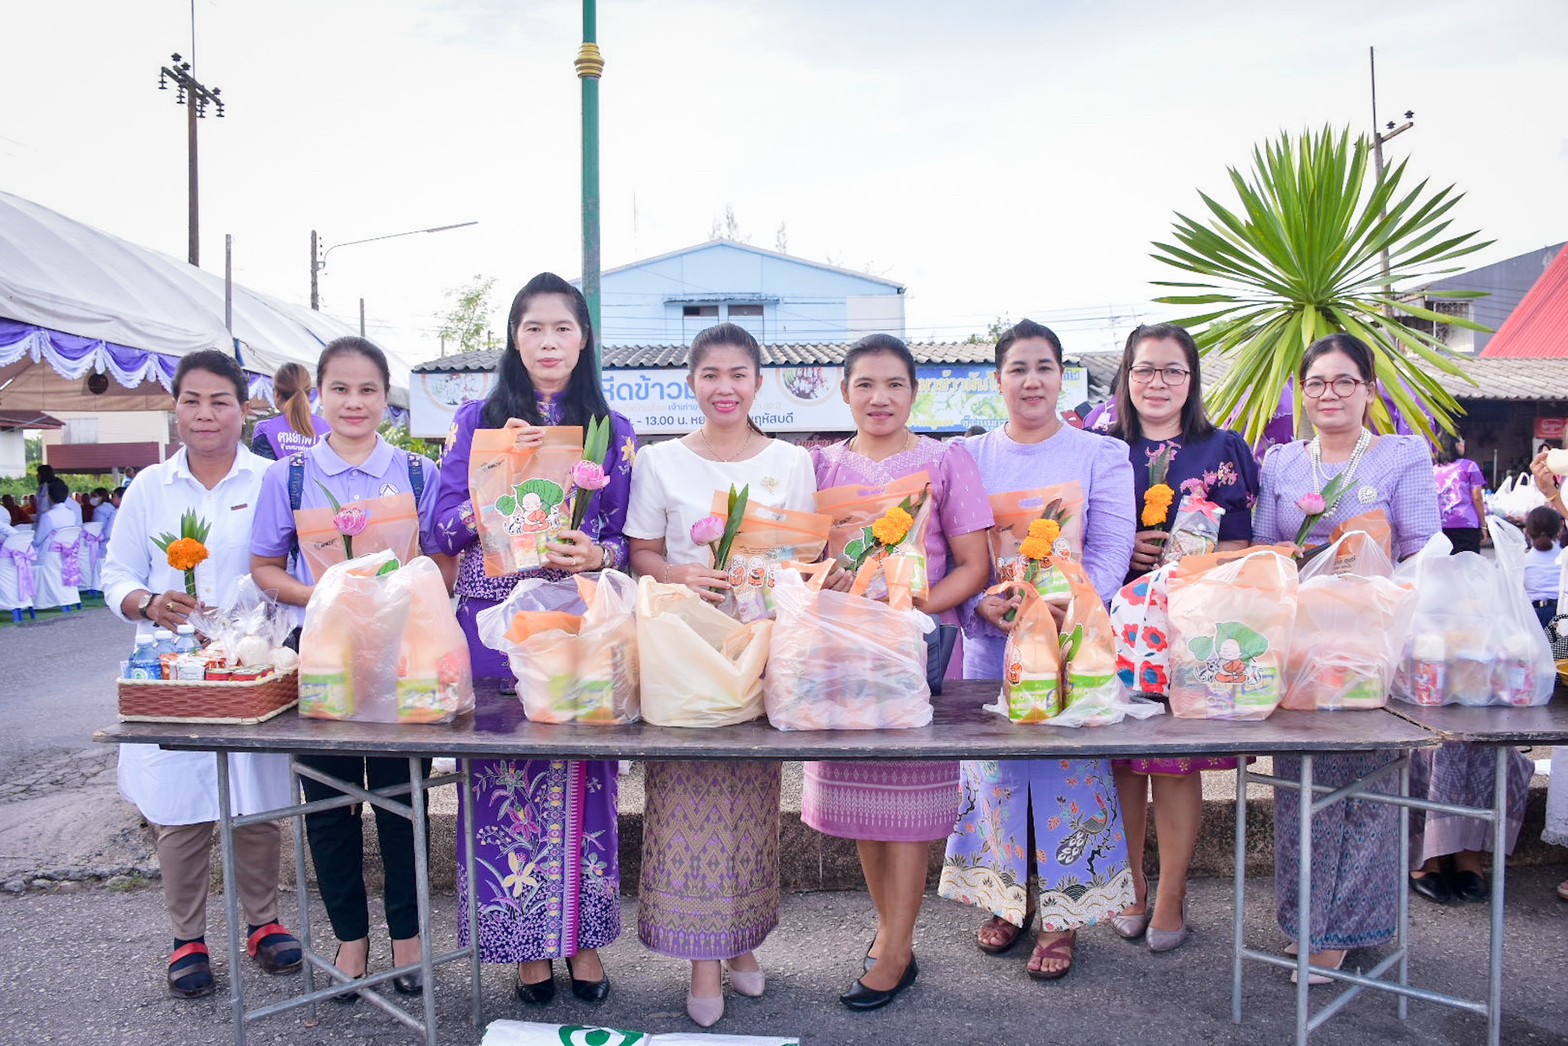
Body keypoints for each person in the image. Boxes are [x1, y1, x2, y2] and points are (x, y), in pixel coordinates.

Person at [430, 273, 636, 1008]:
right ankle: (524, 952)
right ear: (514, 340)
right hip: (496, 628)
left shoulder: (611, 429)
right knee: (502, 785)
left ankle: (582, 942)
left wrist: (599, 554)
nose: (549, 343)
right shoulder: (476, 420)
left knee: (588, 780)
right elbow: (442, 527)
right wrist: (498, 468)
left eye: (563, 328)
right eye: (533, 329)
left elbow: (626, 541)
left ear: (584, 340)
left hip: (580, 625)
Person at [624, 323, 816, 1028]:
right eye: (711, 375)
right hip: (684, 654)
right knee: (687, 803)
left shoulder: (793, 462)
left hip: (762, 647)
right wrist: (678, 572)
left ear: (758, 383)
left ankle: (742, 947)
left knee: (752, 804)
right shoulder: (661, 462)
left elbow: (803, 554)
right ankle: (703, 960)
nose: (725, 387)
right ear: (691, 384)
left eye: (739, 374)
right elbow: (640, 550)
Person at [940, 319, 1137, 982]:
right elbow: (957, 557)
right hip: (995, 650)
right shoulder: (967, 457)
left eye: (1044, 367)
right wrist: (977, 605)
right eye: (1018, 368)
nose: (1031, 380)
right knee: (996, 782)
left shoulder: (1099, 455)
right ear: (997, 381)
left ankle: (1065, 916)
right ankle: (1009, 901)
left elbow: (1111, 551)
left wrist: (1072, 605)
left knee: (1067, 780)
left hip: (1075, 653)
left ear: (1063, 378)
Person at [100, 349, 301, 998]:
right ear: (176, 406)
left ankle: (263, 924)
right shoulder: (149, 489)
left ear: (245, 410)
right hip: (171, 670)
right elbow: (115, 575)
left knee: (255, 801)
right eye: (193, 400)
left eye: (221, 401)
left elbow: (295, 564)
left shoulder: (273, 479)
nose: (206, 413)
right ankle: (187, 937)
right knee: (180, 811)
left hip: (251, 669)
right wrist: (148, 602)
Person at [803, 335, 992, 1011]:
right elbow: (806, 562)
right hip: (844, 655)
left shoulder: (947, 461)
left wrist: (910, 609)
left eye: (893, 385)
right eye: (864, 385)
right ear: (844, 392)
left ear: (915, 392)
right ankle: (890, 935)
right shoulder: (820, 468)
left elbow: (975, 566)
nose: (879, 398)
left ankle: (897, 947)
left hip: (919, 652)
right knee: (864, 802)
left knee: (909, 802)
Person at [249, 337, 441, 998]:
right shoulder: (291, 478)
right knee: (328, 805)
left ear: (386, 397)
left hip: (402, 658)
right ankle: (351, 941)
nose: (354, 403)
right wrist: (328, 594)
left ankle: (410, 941)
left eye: (367, 390)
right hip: (324, 655)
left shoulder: (417, 474)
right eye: (339, 389)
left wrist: (396, 591)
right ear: (318, 397)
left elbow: (439, 564)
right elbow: (266, 568)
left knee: (401, 802)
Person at [1253, 333, 1440, 981]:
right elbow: (1260, 551)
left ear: (1370, 389)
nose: (1328, 395)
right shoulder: (1280, 463)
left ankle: (1342, 933)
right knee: (1300, 792)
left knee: (1364, 793)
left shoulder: (1399, 457)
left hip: (1369, 653)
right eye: (1316, 384)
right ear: (1301, 394)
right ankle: (1307, 920)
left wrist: (1370, 572)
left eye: (1343, 382)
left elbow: (1425, 552)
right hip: (1299, 656)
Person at [1104, 323, 1258, 953]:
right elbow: (1080, 539)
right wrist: (1123, 550)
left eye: (1173, 370)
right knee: (1119, 762)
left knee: (1174, 762)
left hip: (1192, 628)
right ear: (1126, 377)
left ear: (1191, 381)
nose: (1158, 382)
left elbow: (1244, 547)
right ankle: (1132, 885)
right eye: (1145, 369)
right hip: (1113, 626)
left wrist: (1182, 560)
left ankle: (1172, 892)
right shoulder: (1103, 448)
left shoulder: (1222, 447)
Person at [251, 361, 332, 460]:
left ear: (277, 394)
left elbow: (263, 472)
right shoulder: (329, 430)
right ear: (310, 394)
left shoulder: (265, 429)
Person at [1433, 432, 1488, 554]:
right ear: (1456, 445)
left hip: (1442, 525)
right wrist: (1483, 525)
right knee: (1468, 567)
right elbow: (1477, 497)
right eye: (1461, 441)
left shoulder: (1434, 470)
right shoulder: (1470, 467)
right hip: (1467, 524)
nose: (1464, 444)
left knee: (1447, 566)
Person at [31, 477, 74, 551]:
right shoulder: (71, 513)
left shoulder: (47, 516)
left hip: (47, 554)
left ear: (49, 497)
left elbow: (37, 540)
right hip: (66, 552)